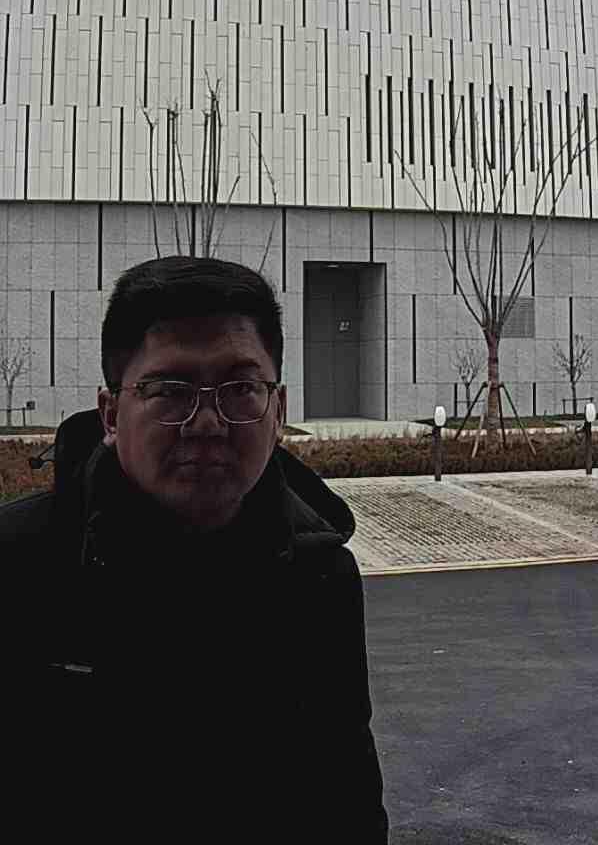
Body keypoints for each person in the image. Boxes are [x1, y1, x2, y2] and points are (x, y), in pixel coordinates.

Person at [1, 256, 388, 844]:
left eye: (241, 389)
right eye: (170, 390)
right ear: (111, 413)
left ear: (279, 411)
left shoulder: (320, 575)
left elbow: (346, 798)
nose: (207, 422)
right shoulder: (19, 564)